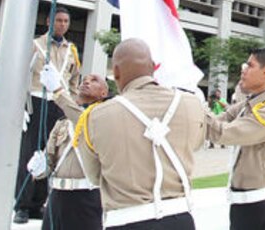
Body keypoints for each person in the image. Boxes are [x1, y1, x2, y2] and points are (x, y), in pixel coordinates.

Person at [73, 38, 206, 229]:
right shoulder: (191, 104)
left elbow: (94, 176)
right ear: (153, 67)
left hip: (127, 220)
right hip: (180, 219)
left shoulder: (95, 116)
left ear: (116, 72)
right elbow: (196, 145)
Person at [205, 47, 265, 230]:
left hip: (260, 209)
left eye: (250, 65)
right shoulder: (249, 105)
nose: (243, 69)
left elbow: (222, 133)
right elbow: (219, 121)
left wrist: (190, 103)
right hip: (242, 207)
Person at [14, 7, 82, 224]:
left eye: (65, 21)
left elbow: (74, 80)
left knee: (51, 153)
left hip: (59, 102)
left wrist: (71, 102)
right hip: (36, 101)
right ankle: (21, 205)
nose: (62, 24)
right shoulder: (35, 45)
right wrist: (21, 106)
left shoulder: (71, 50)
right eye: (58, 20)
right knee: (29, 153)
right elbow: (21, 75)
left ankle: (37, 203)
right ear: (48, 22)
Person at [35, 71, 110, 230]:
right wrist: (39, 169)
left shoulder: (101, 118)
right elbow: (51, 159)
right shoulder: (62, 122)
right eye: (84, 80)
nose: (86, 82)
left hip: (86, 198)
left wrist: (57, 91)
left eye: (94, 80)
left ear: (104, 93)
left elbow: (83, 120)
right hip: (57, 196)